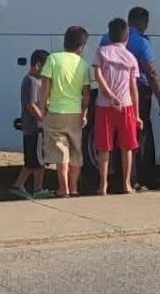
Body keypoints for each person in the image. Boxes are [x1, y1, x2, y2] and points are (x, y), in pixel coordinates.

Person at [101, 6, 160, 189]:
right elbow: (150, 73)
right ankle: (136, 178)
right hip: (135, 94)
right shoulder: (141, 42)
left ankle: (114, 178)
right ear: (143, 22)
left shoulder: (105, 39)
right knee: (137, 137)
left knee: (113, 138)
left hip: (109, 96)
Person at [38, 26, 92, 198]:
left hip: (55, 111)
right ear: (81, 46)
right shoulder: (83, 65)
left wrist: (42, 105)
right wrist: (84, 113)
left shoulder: (53, 59)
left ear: (64, 42)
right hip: (75, 113)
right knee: (76, 151)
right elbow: (86, 93)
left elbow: (45, 85)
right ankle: (74, 188)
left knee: (61, 151)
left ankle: (63, 189)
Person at [92, 18, 142, 195]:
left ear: (109, 34)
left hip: (104, 106)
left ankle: (103, 185)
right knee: (127, 147)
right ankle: (126, 184)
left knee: (104, 147)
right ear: (126, 37)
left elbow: (98, 76)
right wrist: (137, 114)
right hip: (126, 106)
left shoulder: (101, 52)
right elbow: (133, 87)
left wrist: (110, 96)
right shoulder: (131, 57)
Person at [11, 49, 50, 200]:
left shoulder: (36, 81)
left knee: (32, 160)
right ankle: (37, 188)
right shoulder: (31, 81)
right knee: (38, 161)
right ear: (38, 65)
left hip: (35, 127)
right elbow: (31, 105)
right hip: (34, 127)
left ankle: (19, 185)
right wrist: (43, 119)